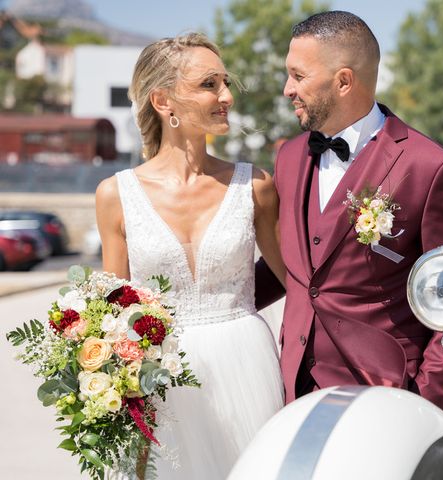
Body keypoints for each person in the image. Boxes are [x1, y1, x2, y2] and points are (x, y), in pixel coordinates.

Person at [263, 11, 443, 413]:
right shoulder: (290, 157)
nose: (287, 89)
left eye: (298, 75)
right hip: (291, 390)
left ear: (343, 81)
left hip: (385, 395)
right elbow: (291, 269)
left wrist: (424, 405)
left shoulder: (429, 167)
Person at [95, 33, 285, 479]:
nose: (227, 97)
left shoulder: (255, 186)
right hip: (160, 387)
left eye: (225, 83)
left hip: (247, 369)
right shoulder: (114, 195)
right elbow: (107, 316)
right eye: (209, 84)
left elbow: (301, 282)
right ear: (164, 101)